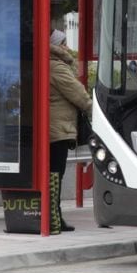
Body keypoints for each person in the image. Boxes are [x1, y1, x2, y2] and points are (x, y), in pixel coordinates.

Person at [49, 29, 92, 234]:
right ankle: (53, 217)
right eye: (63, 43)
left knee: (52, 175)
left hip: (50, 129)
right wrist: (97, 112)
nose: (67, 47)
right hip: (57, 131)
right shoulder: (57, 67)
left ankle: (51, 215)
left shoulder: (47, 64)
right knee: (56, 175)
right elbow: (80, 95)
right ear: (56, 46)